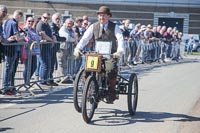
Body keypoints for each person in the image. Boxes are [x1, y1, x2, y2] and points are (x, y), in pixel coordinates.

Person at [73, 6, 124, 103]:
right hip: (96, 55)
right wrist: (78, 49)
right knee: (86, 71)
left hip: (110, 55)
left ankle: (111, 91)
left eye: (104, 15)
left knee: (111, 70)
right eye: (100, 16)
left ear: (108, 16)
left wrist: (119, 51)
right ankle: (89, 90)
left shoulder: (115, 27)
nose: (101, 18)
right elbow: (84, 39)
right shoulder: (93, 26)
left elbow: (120, 40)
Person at [2, 10, 24, 95]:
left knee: (8, 68)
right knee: (9, 69)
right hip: (11, 47)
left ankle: (9, 87)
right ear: (18, 16)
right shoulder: (14, 23)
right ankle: (6, 88)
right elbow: (17, 37)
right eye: (21, 18)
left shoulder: (7, 21)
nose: (20, 20)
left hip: (8, 47)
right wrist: (23, 36)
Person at [36, 12, 58, 86]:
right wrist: (52, 40)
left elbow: (51, 34)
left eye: (48, 18)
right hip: (42, 47)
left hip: (47, 47)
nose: (46, 19)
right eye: (44, 17)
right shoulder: (40, 24)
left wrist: (53, 38)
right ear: (42, 17)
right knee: (44, 64)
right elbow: (43, 35)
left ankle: (46, 80)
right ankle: (43, 81)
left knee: (48, 64)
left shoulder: (47, 25)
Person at [22, 17, 41, 85]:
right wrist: (34, 41)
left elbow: (37, 38)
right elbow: (26, 38)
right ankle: (26, 82)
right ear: (26, 21)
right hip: (27, 51)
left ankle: (28, 80)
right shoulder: (25, 29)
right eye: (29, 21)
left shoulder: (33, 30)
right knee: (27, 67)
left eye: (32, 21)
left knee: (34, 67)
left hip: (34, 52)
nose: (31, 22)